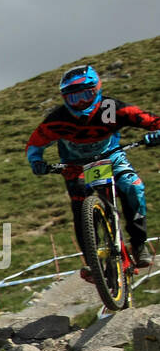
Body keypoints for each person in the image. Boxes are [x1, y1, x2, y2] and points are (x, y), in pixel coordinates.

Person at [25, 64, 160, 275]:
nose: (79, 103)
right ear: (64, 98)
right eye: (73, 98)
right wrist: (36, 162)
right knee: (80, 206)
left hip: (111, 156)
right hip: (75, 165)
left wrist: (156, 133)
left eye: (86, 95)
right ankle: (92, 261)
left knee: (133, 187)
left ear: (97, 90)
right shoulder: (57, 119)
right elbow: (35, 143)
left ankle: (139, 243)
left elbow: (149, 119)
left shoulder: (112, 108)